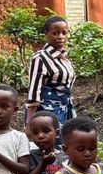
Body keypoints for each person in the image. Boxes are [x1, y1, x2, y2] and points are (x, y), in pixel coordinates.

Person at [25, 16, 76, 148]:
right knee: (51, 145)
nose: (60, 36)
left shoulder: (64, 58)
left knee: (66, 145)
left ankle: (61, 169)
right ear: (46, 34)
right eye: (55, 33)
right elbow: (34, 92)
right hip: (47, 111)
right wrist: (29, 123)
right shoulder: (40, 58)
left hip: (64, 109)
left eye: (64, 33)